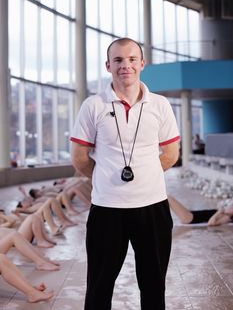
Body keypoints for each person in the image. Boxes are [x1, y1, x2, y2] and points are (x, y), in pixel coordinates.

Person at [70, 37, 180, 310]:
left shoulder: (160, 105)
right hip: (107, 209)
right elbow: (79, 159)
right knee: (99, 286)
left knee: (154, 285)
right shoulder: (93, 105)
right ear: (108, 65)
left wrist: (145, 176)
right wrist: (106, 178)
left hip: (152, 207)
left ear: (142, 64)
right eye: (118, 60)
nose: (125, 66)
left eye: (132, 59)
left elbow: (171, 154)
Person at [167, 195, 233, 226]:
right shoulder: (224, 213)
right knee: (167, 197)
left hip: (190, 218)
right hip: (191, 214)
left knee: (167, 197)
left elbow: (211, 223)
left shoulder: (227, 217)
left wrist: (220, 211)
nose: (230, 206)